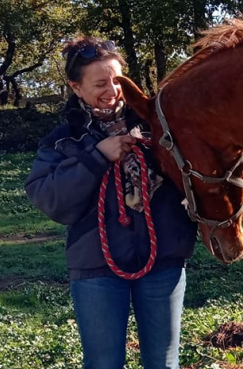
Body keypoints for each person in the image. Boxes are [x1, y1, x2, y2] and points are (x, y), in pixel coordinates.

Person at [25, 37, 197, 369]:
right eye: (99, 83)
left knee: (164, 363)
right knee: (103, 364)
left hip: (163, 261)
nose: (111, 91)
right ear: (76, 87)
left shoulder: (158, 126)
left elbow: (197, 171)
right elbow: (50, 199)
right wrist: (98, 157)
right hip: (95, 269)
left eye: (117, 81)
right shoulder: (63, 141)